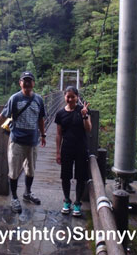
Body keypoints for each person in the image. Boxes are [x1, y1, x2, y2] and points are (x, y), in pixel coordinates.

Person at [0, 71, 46, 213]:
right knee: (14, 171)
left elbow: (41, 119)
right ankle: (15, 197)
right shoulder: (15, 99)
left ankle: (27, 193)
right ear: (20, 83)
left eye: (30, 80)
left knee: (31, 169)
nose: (28, 83)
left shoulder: (39, 100)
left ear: (33, 83)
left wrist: (43, 135)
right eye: (25, 80)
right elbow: (3, 116)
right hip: (17, 141)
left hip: (32, 141)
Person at [55, 86, 92, 217]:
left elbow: (88, 128)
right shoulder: (60, 113)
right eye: (67, 96)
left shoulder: (83, 110)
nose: (70, 99)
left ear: (77, 97)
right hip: (66, 148)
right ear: (64, 97)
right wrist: (57, 152)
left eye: (73, 97)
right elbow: (58, 134)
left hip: (81, 148)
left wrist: (84, 115)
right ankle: (67, 201)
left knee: (80, 177)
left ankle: (77, 203)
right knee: (65, 176)